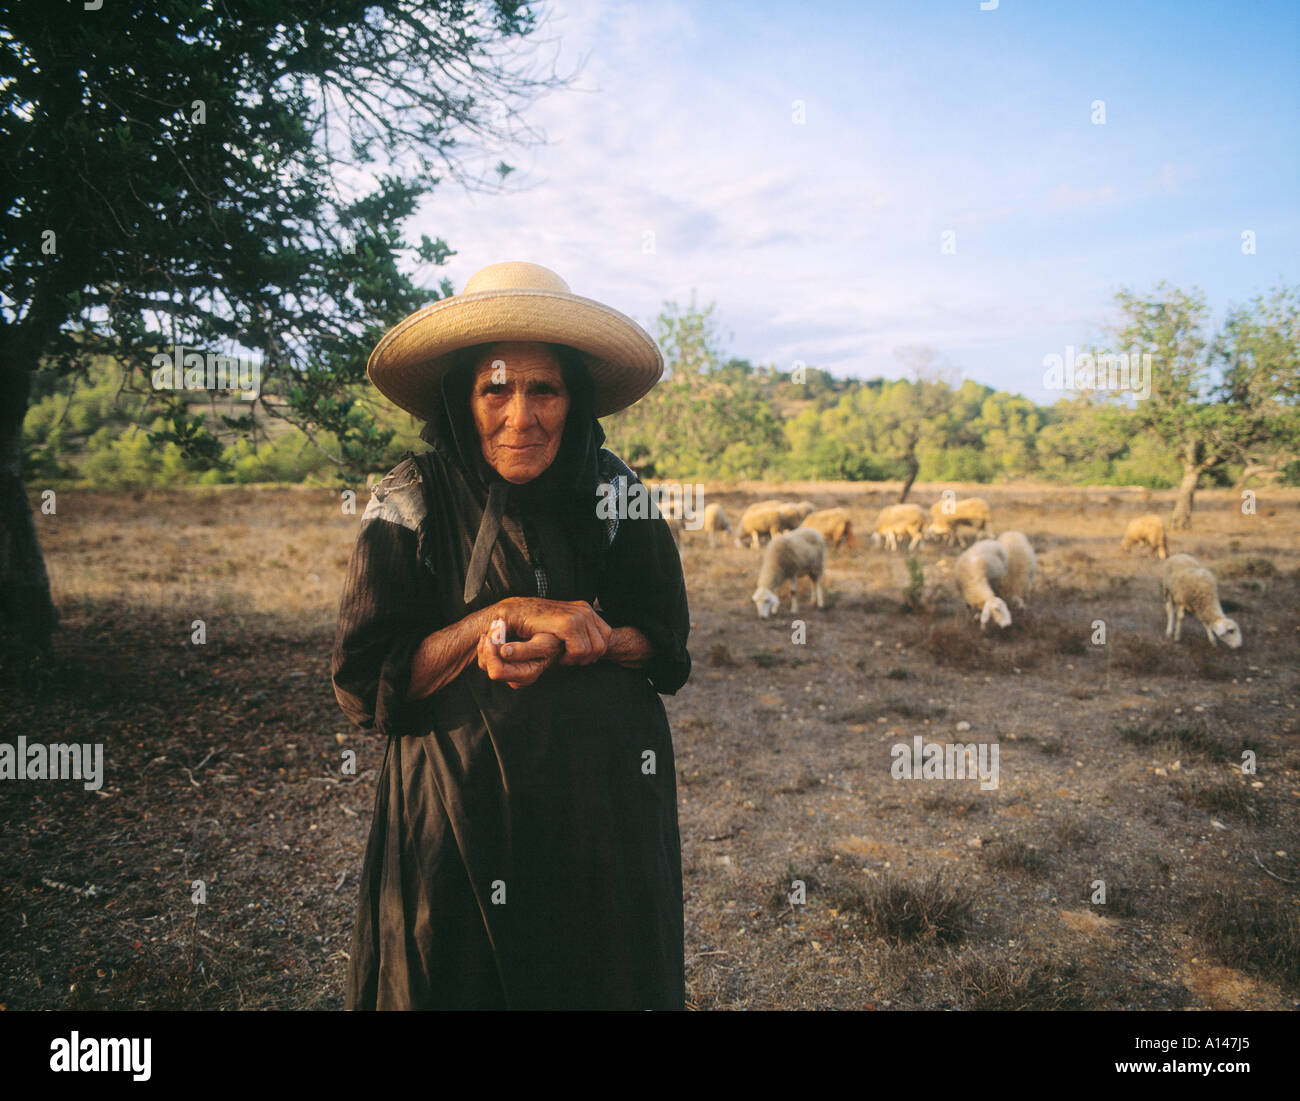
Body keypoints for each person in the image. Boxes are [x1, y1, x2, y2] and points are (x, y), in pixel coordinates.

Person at [330, 261, 690, 1010]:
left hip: (601, 805)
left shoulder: (617, 490)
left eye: (544, 389)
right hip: (455, 811)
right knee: (452, 975)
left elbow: (666, 642)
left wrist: (589, 638)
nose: (520, 416)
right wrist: (501, 619)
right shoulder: (410, 496)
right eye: (496, 387)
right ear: (464, 396)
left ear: (576, 397)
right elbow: (364, 682)